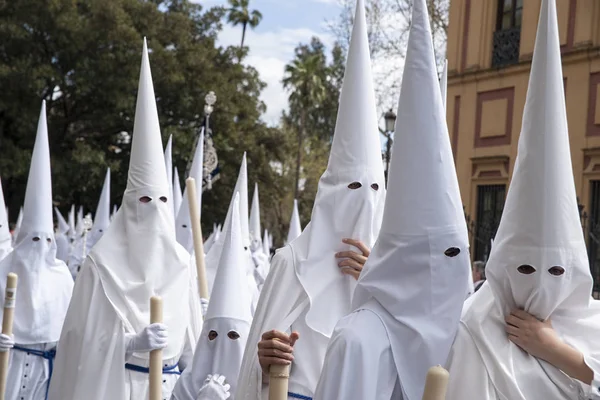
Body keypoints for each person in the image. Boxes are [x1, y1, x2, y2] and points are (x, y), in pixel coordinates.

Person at [312, 0, 470, 398]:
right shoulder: (358, 342)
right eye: (436, 256)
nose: (452, 272)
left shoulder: (470, 340)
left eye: (457, 253)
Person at [444, 1, 600, 399]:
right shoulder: (471, 328)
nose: (540, 285)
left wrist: (558, 352)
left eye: (557, 271)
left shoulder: (594, 327)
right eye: (526, 267)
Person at [235, 2, 386, 398]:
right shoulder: (289, 264)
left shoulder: (393, 276)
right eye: (351, 189)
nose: (363, 204)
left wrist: (381, 284)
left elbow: (414, 363)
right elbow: (253, 374)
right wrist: (263, 358)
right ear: (327, 196)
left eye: (374, 191)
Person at [47, 39, 201, 400]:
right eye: (144, 200)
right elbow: (75, 343)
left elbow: (195, 351)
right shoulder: (100, 266)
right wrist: (130, 342)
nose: (152, 208)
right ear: (128, 204)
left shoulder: (182, 264)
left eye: (161, 201)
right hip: (116, 389)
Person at [0, 101, 74, 400]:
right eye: (32, 239)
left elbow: (74, 331)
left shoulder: (62, 277)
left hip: (45, 375)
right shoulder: (3, 268)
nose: (39, 247)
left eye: (46, 240)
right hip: (7, 368)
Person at [172, 194, 251, 400]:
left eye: (233, 336)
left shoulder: (257, 387)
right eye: (213, 335)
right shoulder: (185, 385)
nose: (221, 346)